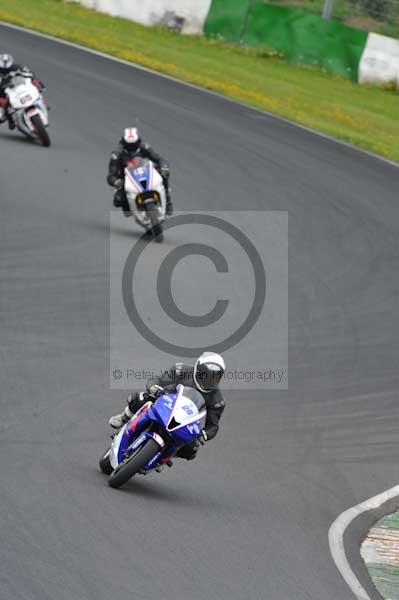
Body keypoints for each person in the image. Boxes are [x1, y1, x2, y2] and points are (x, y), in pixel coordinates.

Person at [109, 352, 226, 460]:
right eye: (206, 375)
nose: (209, 380)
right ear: (198, 369)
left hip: (184, 419)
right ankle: (124, 418)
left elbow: (213, 426)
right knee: (139, 398)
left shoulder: (217, 400)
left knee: (191, 449)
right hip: (165, 401)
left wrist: (203, 434)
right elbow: (158, 380)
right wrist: (155, 388)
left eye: (215, 377)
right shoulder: (181, 370)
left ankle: (164, 457)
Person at [107, 127, 173, 217]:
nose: (132, 147)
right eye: (129, 145)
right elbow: (111, 175)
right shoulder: (117, 154)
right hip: (127, 178)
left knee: (164, 174)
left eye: (134, 144)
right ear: (124, 143)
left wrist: (164, 167)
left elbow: (159, 159)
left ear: (138, 141)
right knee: (118, 199)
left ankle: (168, 200)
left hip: (145, 171)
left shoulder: (145, 147)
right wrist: (117, 181)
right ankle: (129, 207)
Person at [0, 54, 44, 129]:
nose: (5, 71)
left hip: (17, 87)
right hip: (3, 92)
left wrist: (34, 80)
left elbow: (28, 73)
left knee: (36, 85)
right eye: (2, 70)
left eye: (7, 69)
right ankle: (11, 121)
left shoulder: (16, 67)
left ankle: (40, 102)